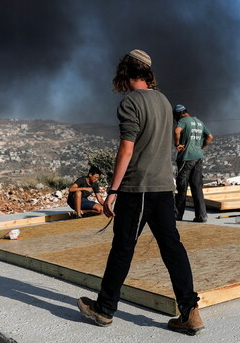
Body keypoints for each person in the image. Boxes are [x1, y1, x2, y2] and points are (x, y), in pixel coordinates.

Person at [77, 49, 204, 335]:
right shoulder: (163, 101)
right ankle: (190, 312)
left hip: (137, 189)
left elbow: (127, 148)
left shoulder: (130, 102)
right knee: (173, 249)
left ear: (125, 72)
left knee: (122, 249)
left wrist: (113, 189)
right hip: (163, 187)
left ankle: (105, 309)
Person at [173, 104, 213, 223]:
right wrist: (201, 147)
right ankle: (201, 216)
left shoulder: (183, 121)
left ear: (178, 114)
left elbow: (176, 131)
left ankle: (177, 215)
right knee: (196, 187)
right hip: (198, 158)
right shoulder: (199, 122)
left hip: (186, 158)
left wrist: (177, 145)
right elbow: (210, 136)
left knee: (182, 187)